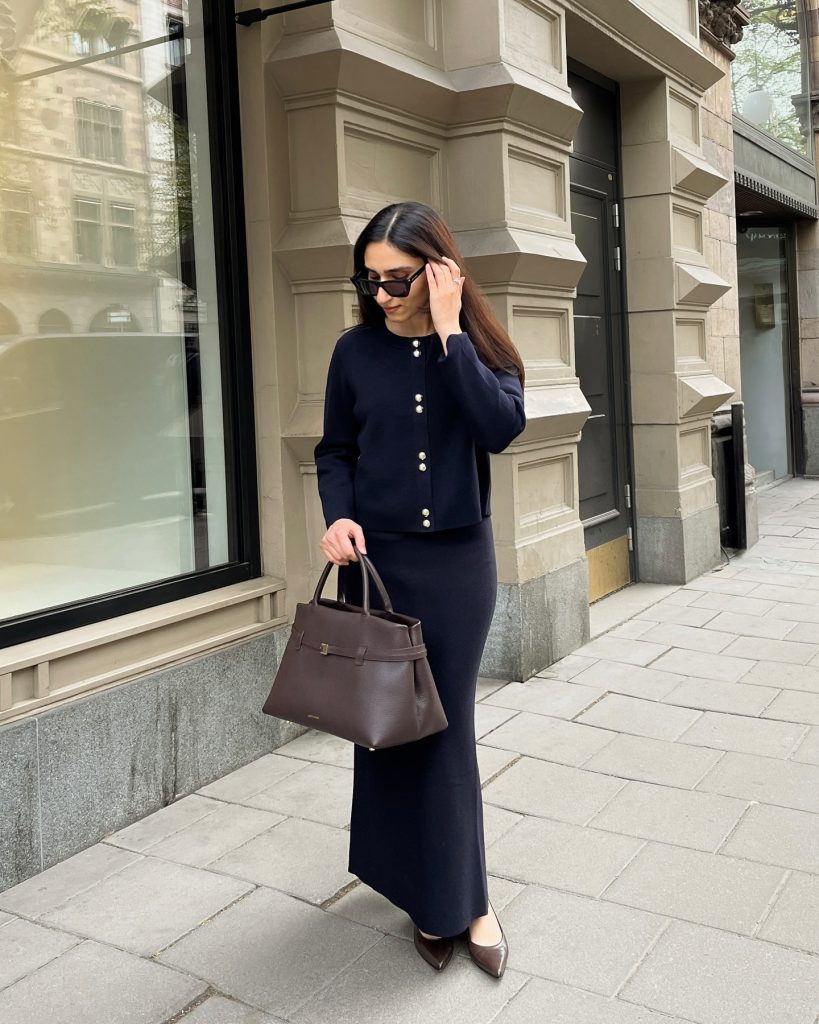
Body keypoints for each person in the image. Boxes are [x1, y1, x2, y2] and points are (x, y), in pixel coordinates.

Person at [313, 201, 526, 978]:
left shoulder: (481, 349)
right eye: (368, 281)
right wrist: (338, 516)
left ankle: (466, 903)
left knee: (445, 728)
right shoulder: (352, 352)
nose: (380, 295)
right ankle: (416, 888)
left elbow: (497, 429)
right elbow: (334, 450)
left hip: (457, 569)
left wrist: (447, 331)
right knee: (389, 729)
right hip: (378, 567)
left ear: (438, 272)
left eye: (396, 279)